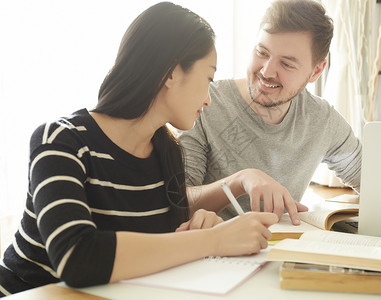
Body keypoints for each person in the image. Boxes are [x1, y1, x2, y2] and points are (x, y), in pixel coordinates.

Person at [0, 2, 279, 296]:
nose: (208, 99)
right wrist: (214, 240)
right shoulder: (60, 140)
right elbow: (78, 258)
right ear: (171, 73)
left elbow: (160, 244)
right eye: (208, 78)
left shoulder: (166, 149)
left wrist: (199, 229)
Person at [179, 0, 362, 222]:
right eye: (262, 52)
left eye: (286, 64)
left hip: (283, 248)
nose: (266, 72)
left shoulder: (323, 120)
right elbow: (178, 202)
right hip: (216, 250)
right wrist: (239, 181)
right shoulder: (204, 104)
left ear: (316, 71)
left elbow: (372, 182)